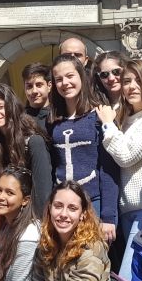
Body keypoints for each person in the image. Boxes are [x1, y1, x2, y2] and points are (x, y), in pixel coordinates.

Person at [98, 58, 142, 281]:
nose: (131, 86)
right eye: (127, 81)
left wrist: (108, 124)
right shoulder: (126, 119)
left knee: (131, 278)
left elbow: (126, 156)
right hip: (126, 209)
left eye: (138, 81)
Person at [46, 55, 120, 241]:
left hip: (93, 203)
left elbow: (108, 168)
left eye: (70, 76)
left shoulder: (98, 116)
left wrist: (108, 216)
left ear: (81, 77)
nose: (65, 83)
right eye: (59, 79)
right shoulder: (53, 121)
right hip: (63, 208)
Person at [0, 84, 53, 215]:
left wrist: (39, 224)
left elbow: (43, 191)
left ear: (11, 106)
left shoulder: (33, 141)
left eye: (0, 107)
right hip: (6, 216)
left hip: (31, 216)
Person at [22, 62, 52, 131]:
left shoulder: (59, 115)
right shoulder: (18, 119)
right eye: (29, 86)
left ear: (49, 86)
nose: (34, 91)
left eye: (39, 85)